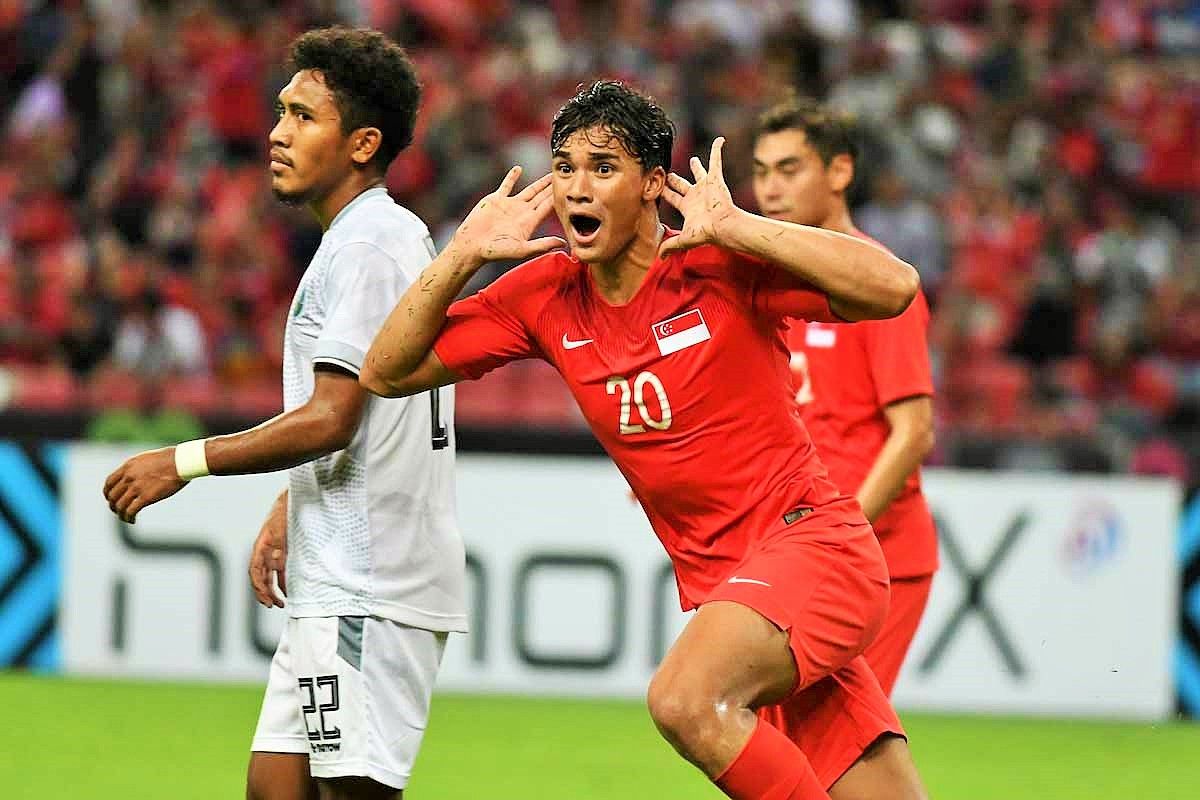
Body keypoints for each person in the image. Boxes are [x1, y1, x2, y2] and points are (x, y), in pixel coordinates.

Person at [361, 80, 927, 800]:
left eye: (603, 168)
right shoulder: (543, 295)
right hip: (746, 599)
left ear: (654, 185)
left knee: (686, 700)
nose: (576, 189)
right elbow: (385, 371)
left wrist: (738, 227)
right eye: (564, 167)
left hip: (814, 549)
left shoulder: (715, 265)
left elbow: (895, 286)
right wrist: (462, 255)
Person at [101, 27, 465, 800]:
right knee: (275, 787)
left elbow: (333, 416)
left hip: (368, 582)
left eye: (304, 116)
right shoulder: (370, 239)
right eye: (280, 112)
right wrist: (289, 504)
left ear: (363, 142)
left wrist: (182, 461)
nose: (276, 132)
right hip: (335, 574)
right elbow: (364, 411)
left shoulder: (368, 245)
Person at [751, 96, 937, 696]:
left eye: (789, 168)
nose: (770, 189)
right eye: (760, 172)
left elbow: (914, 432)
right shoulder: (767, 286)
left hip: (875, 558)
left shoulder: (877, 285)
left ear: (839, 173)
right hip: (797, 552)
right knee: (786, 746)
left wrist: (841, 536)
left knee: (840, 757)